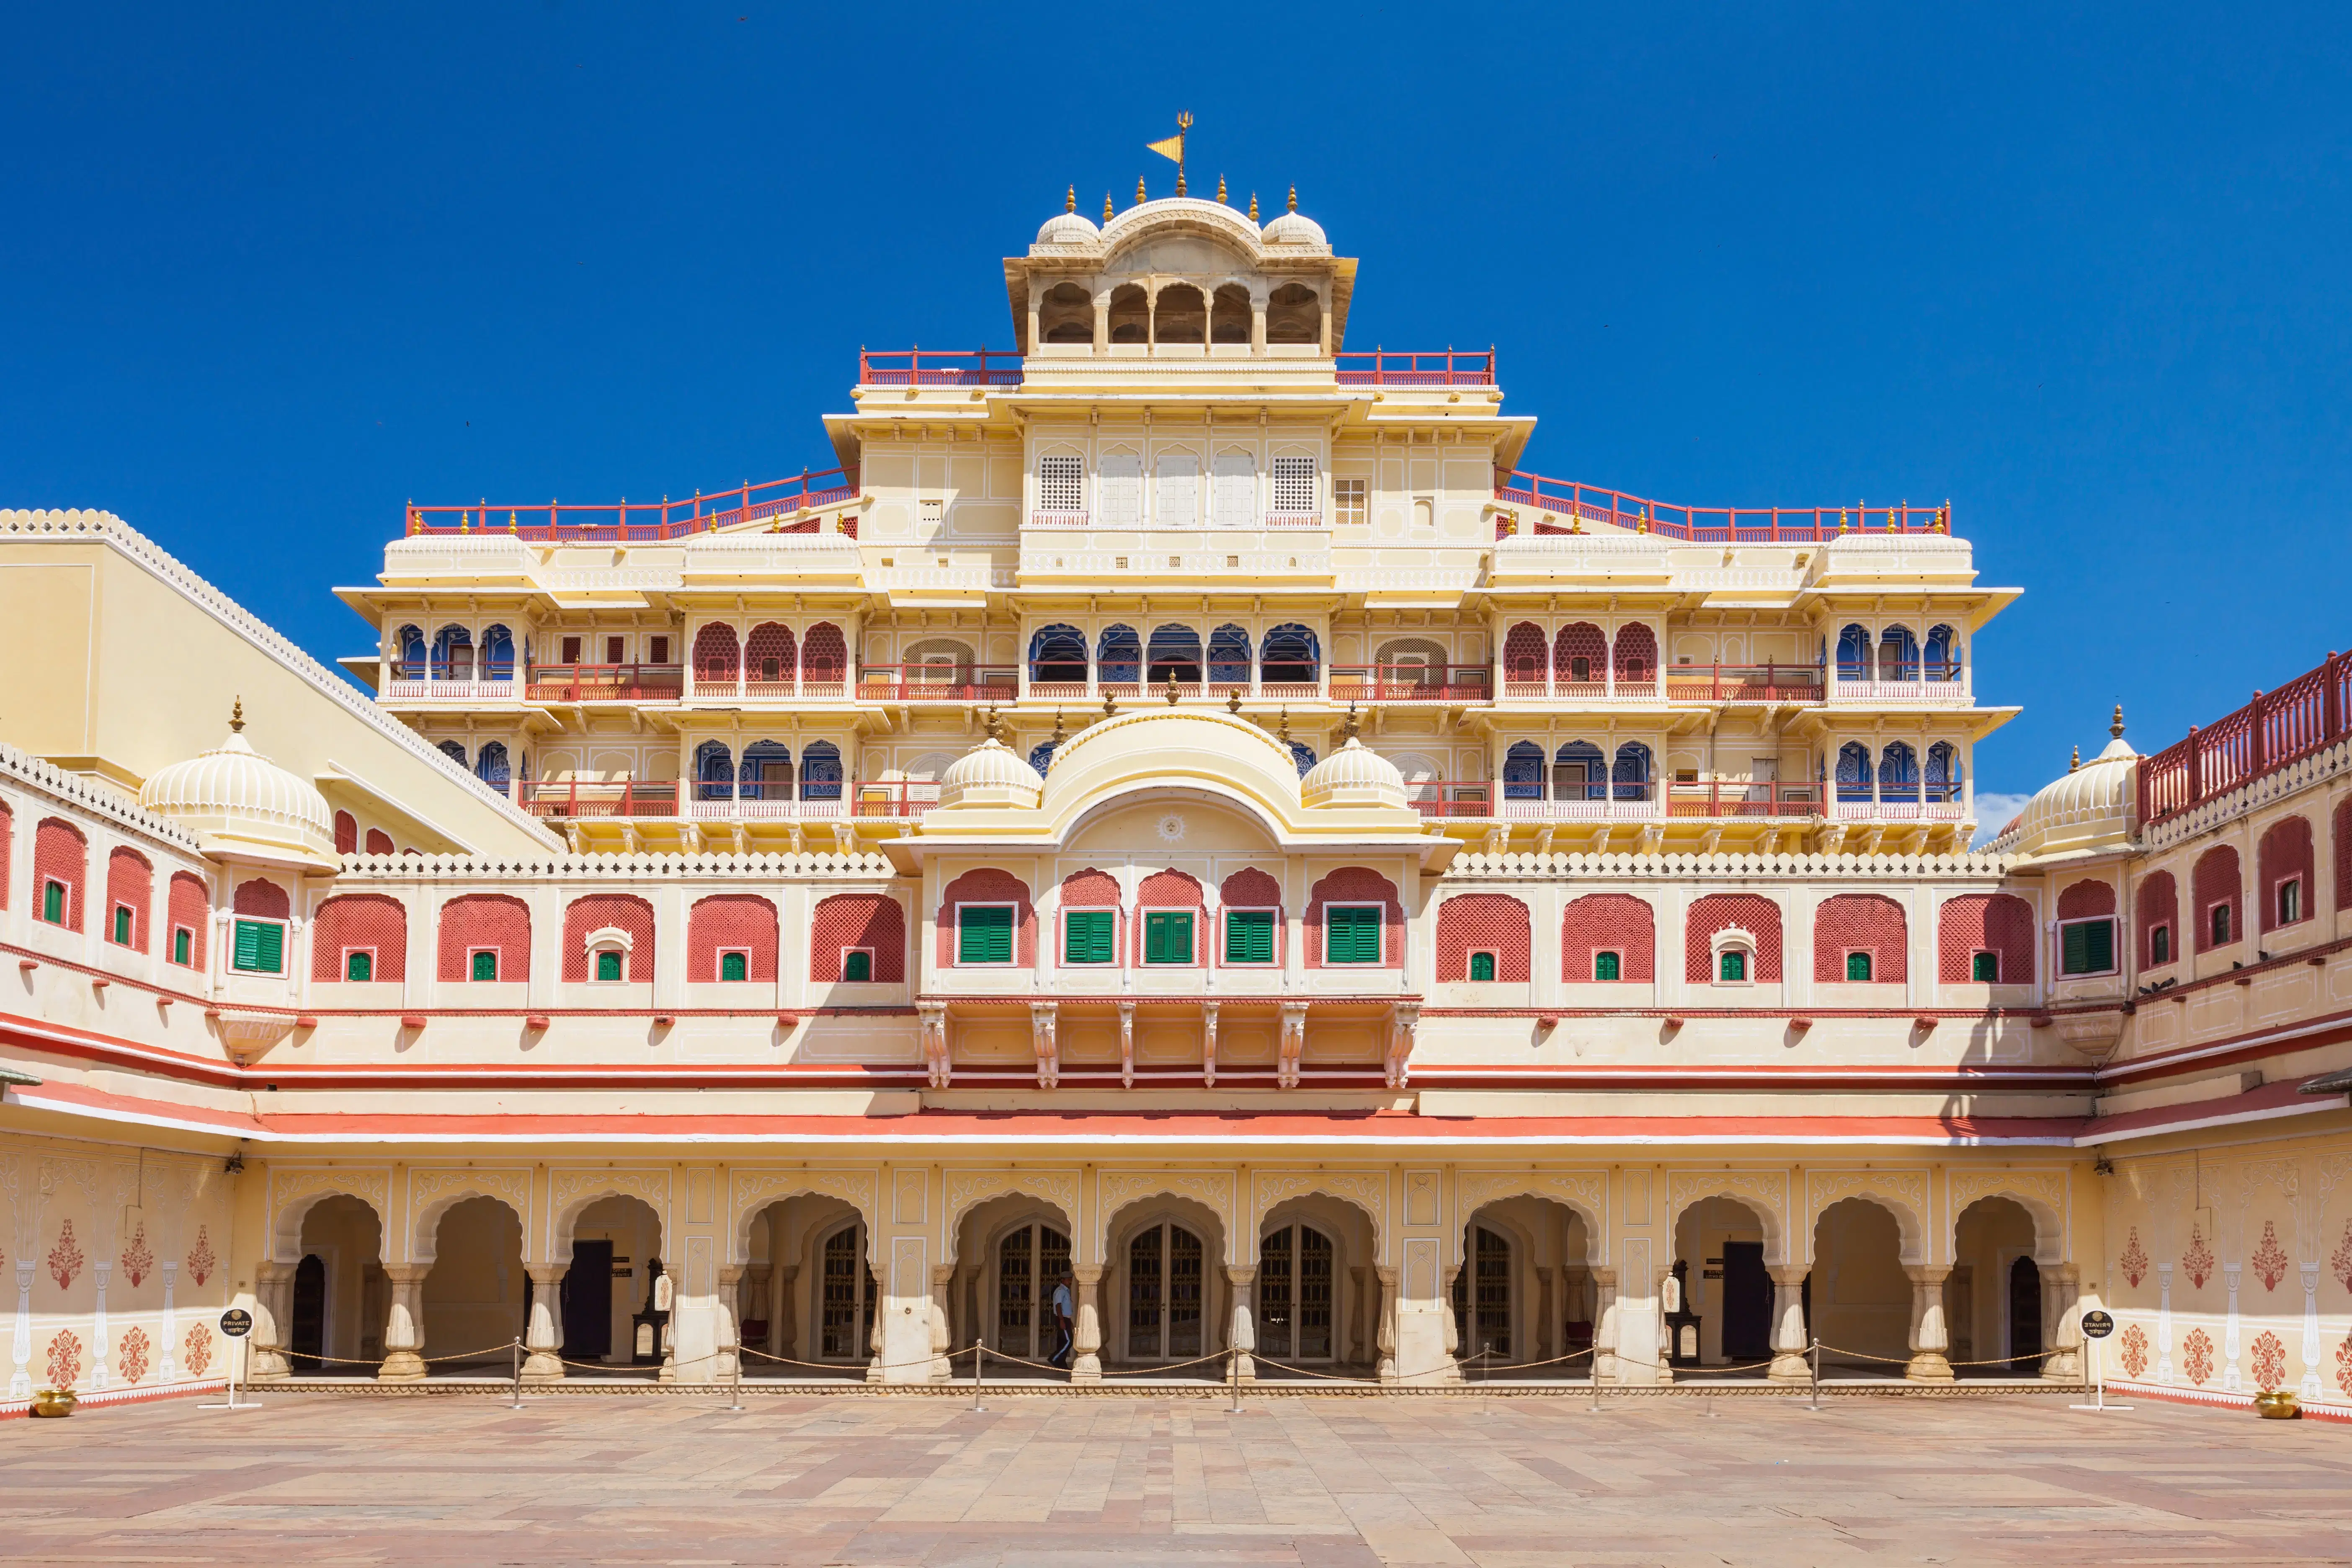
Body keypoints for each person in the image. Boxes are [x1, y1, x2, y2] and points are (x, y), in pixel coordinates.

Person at [1050, 1269, 1075, 1369]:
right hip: (1062, 1319)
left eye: (1071, 1280)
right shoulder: (1060, 1291)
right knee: (1069, 1341)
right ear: (1063, 1280)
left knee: (1063, 1342)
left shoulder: (1066, 1291)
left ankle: (1061, 1365)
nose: (1070, 1282)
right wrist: (1062, 1321)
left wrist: (1070, 1322)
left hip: (1066, 1319)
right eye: (1068, 1280)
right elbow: (1058, 1306)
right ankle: (1054, 1359)